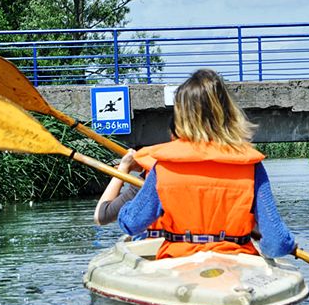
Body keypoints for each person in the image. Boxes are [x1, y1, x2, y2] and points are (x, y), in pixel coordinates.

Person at [117, 68, 297, 260]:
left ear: (182, 116)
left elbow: (132, 223)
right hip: (237, 266)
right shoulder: (251, 167)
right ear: (227, 112)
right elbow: (275, 243)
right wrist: (288, 243)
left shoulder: (164, 166)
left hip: (177, 264)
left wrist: (124, 209)